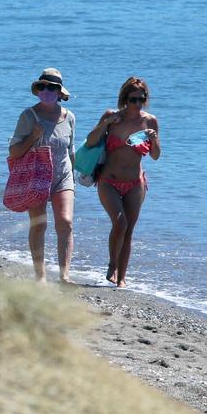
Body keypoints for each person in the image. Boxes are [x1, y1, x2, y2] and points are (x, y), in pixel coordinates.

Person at [83, 77, 160, 288]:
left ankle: (122, 278)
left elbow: (155, 156)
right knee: (120, 223)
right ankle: (112, 264)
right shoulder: (111, 116)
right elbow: (90, 141)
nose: (136, 104)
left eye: (141, 99)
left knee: (129, 230)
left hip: (136, 183)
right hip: (109, 181)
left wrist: (153, 140)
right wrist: (107, 124)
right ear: (124, 98)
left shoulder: (150, 121)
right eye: (132, 99)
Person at [9, 68, 76, 283]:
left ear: (59, 92)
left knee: (65, 222)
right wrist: (34, 136)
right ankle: (41, 277)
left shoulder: (70, 117)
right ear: (38, 90)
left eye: (52, 87)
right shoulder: (29, 116)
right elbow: (14, 151)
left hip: (63, 176)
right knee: (39, 225)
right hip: (36, 176)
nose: (47, 90)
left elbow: (71, 150)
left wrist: (73, 179)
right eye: (43, 86)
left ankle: (65, 276)